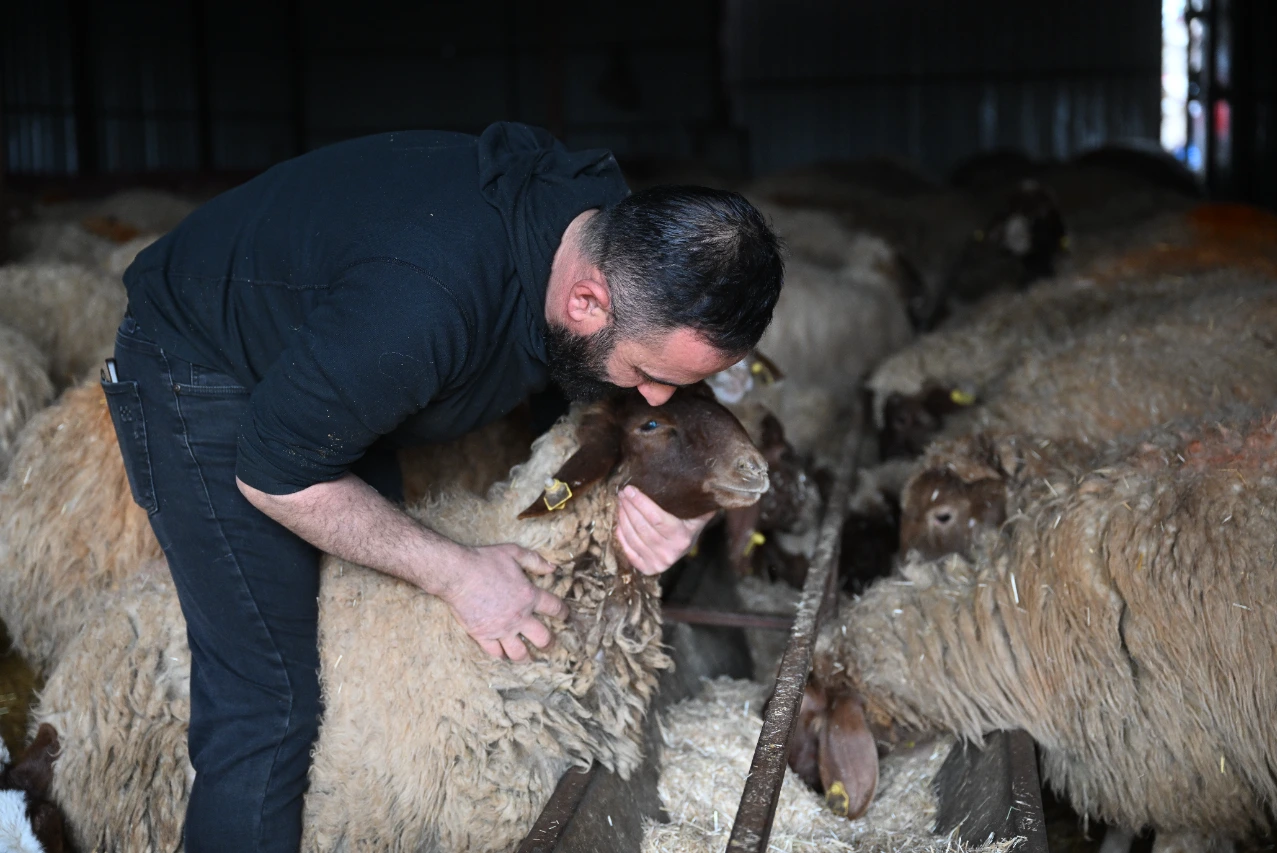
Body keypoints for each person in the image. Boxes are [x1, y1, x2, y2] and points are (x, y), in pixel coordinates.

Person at [104, 120, 783, 852]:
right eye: (649, 375)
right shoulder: (422, 304)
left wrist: (675, 505)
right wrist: (458, 572)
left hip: (339, 362)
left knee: (354, 629)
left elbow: (634, 394)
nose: (654, 398)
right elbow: (275, 476)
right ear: (587, 301)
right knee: (267, 695)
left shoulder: (609, 231)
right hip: (200, 368)